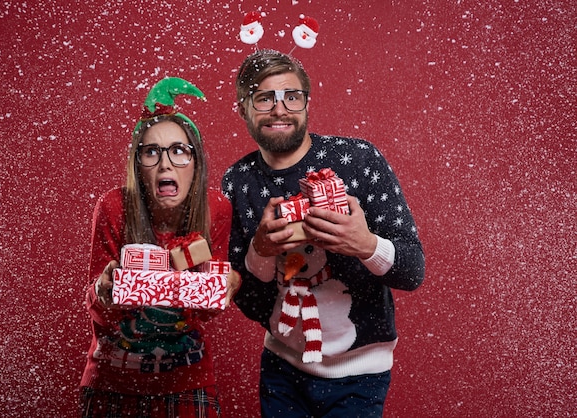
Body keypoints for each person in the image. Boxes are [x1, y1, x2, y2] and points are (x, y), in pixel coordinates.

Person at [222, 49, 425, 417]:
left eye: (291, 96)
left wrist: (364, 245)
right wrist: (261, 250)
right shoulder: (237, 183)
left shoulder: (360, 160)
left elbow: (412, 271)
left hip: (361, 371)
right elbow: (245, 297)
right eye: (264, 97)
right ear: (243, 108)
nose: (280, 109)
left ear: (306, 103)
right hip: (281, 369)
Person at [80, 77, 240, 418]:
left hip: (188, 380)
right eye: (151, 151)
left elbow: (208, 309)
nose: (166, 163)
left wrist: (228, 285)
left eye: (179, 151)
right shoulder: (114, 207)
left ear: (197, 164)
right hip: (113, 381)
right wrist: (105, 290)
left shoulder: (216, 210)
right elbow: (96, 307)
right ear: (138, 165)